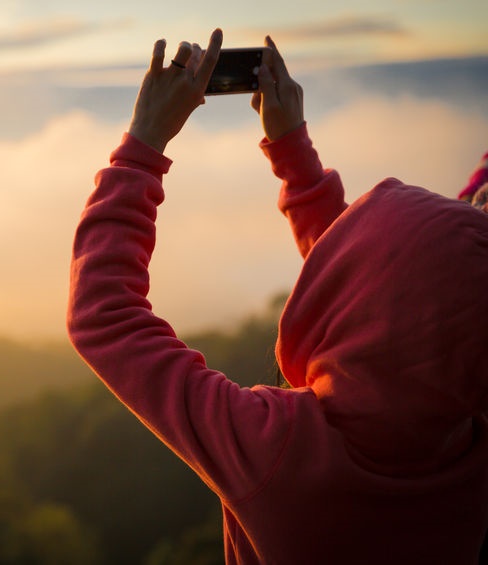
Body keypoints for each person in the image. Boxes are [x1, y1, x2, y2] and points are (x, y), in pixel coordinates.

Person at [67, 28, 488, 564]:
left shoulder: (275, 453)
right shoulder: (465, 441)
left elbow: (104, 316)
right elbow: (411, 304)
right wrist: (292, 153)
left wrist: (142, 146)